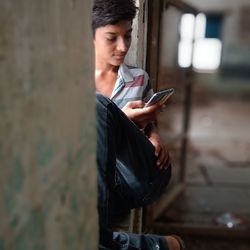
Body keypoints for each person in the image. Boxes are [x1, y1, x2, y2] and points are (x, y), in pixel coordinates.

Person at [93, 0, 185, 249]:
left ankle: (97, 236)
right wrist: (121, 117)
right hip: (101, 188)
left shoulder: (138, 77)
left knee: (98, 105)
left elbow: (147, 121)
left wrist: (153, 133)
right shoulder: (70, 82)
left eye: (128, 36)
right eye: (112, 38)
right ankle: (165, 246)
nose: (123, 47)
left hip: (140, 175)